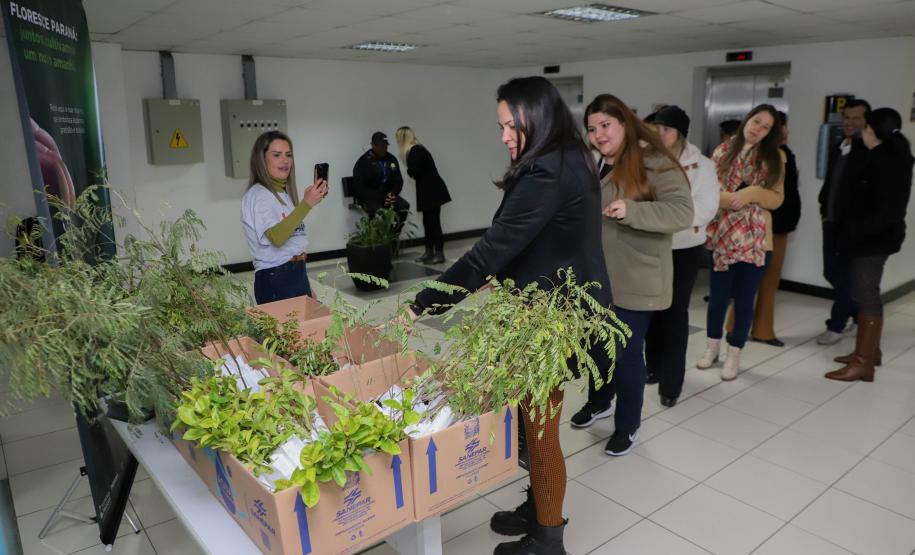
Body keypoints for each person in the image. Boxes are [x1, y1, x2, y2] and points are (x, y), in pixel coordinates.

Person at [406, 76, 612, 555]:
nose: (502, 136)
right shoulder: (568, 157)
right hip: (552, 304)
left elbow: (491, 249)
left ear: (534, 118)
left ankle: (548, 538)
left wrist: (423, 303)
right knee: (527, 419)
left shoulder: (546, 171)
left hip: (553, 319)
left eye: (508, 125)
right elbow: (532, 239)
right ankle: (537, 506)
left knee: (540, 431)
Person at [571, 94, 692, 454]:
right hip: (598, 278)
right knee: (595, 348)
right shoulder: (598, 163)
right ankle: (600, 401)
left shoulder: (656, 163)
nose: (598, 135)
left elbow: (682, 213)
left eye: (605, 125)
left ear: (625, 123)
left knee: (624, 354)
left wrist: (633, 211)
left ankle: (628, 425)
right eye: (592, 129)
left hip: (637, 280)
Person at [698, 105, 785, 380]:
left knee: (745, 301)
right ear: (747, 119)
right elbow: (708, 192)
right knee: (718, 299)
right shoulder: (723, 151)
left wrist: (751, 193)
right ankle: (712, 348)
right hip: (722, 237)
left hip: (756, 241)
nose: (757, 128)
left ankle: (734, 354)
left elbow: (776, 199)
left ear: (770, 133)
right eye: (756, 121)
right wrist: (730, 200)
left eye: (765, 127)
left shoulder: (774, 157)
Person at [826, 108, 913, 382]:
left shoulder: (886, 161)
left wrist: (855, 232)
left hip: (873, 241)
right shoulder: (887, 156)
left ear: (871, 131)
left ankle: (863, 363)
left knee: (866, 295)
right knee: (866, 292)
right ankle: (868, 352)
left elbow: (885, 211)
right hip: (872, 238)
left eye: (865, 128)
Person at [642, 105, 720, 408]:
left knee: (675, 314)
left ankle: (671, 383)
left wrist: (664, 218)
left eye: (667, 129)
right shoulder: (646, 160)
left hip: (685, 247)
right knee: (650, 309)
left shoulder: (702, 165)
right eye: (656, 129)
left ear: (681, 134)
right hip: (651, 245)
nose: (660, 135)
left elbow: (705, 208)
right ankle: (653, 366)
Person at [724, 110, 801, 347]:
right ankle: (735, 328)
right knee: (748, 284)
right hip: (758, 226)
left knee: (768, 282)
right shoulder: (760, 156)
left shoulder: (782, 155)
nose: (786, 132)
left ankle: (762, 330)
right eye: (782, 127)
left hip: (779, 226)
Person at [240, 131, 327, 304]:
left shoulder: (284, 195)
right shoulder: (259, 195)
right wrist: (306, 204)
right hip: (276, 278)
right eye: (277, 155)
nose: (285, 160)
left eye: (288, 155)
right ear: (261, 160)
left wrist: (306, 286)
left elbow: (293, 245)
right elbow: (277, 238)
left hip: (295, 274)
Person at [817, 99, 871, 345]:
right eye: (846, 117)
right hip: (830, 221)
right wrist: (823, 206)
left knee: (845, 275)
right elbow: (832, 183)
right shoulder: (841, 145)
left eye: (855, 118)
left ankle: (837, 325)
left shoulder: (867, 151)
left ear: (865, 120)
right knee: (832, 272)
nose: (849, 122)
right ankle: (855, 313)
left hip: (850, 227)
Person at [395, 126, 451, 264]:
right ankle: (429, 251)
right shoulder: (418, 149)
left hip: (431, 191)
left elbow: (414, 171)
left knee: (433, 223)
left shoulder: (415, 150)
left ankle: (439, 253)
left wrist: (409, 171)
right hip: (429, 190)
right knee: (428, 222)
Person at [352, 131, 409, 232]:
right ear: (373, 145)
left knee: (404, 206)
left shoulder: (391, 159)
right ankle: (379, 241)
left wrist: (393, 193)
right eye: (381, 146)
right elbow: (360, 187)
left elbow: (398, 180)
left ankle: (392, 236)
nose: (384, 148)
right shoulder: (364, 162)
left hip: (388, 196)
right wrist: (382, 197)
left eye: (386, 146)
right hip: (370, 198)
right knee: (381, 212)